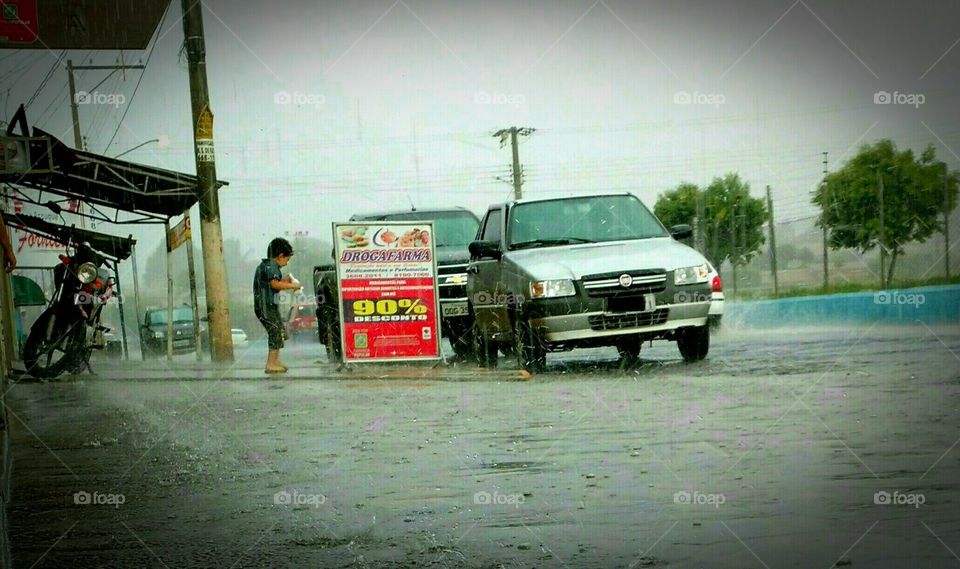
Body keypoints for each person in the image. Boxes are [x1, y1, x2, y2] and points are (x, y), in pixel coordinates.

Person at [254, 237, 300, 374]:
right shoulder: (270, 266)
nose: (286, 263)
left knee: (279, 330)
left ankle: (276, 360)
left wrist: (286, 280)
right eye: (287, 259)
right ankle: (271, 363)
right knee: (274, 331)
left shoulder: (269, 267)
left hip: (270, 306)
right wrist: (293, 285)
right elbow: (275, 284)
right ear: (280, 256)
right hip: (265, 306)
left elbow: (274, 284)